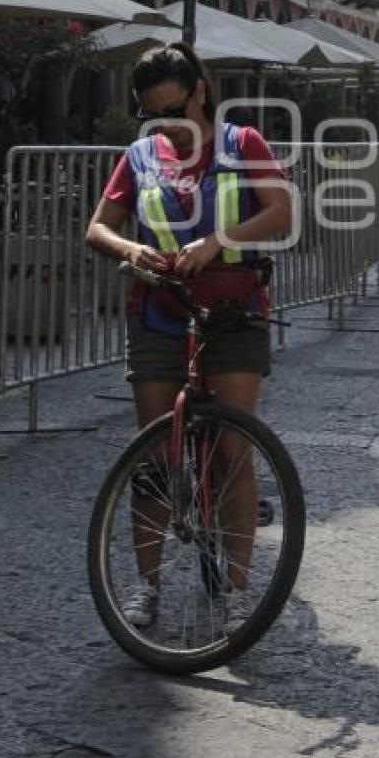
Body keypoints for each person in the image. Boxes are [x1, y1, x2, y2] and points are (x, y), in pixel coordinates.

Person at [86, 43, 291, 634]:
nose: (168, 128)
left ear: (199, 90)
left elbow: (280, 211)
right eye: (154, 116)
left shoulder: (242, 144)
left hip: (232, 313)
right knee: (152, 458)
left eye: (175, 110)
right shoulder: (139, 155)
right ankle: (145, 586)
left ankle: (235, 589)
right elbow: (98, 227)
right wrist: (131, 249)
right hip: (159, 310)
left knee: (231, 450)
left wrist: (216, 240)